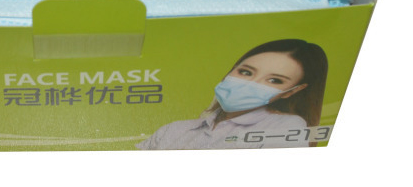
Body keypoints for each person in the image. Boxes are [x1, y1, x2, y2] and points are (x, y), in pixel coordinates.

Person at [137, 39, 328, 150]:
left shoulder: (286, 127)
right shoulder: (173, 130)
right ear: (232, 70)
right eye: (245, 72)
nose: (250, 84)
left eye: (274, 80)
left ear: (293, 91)